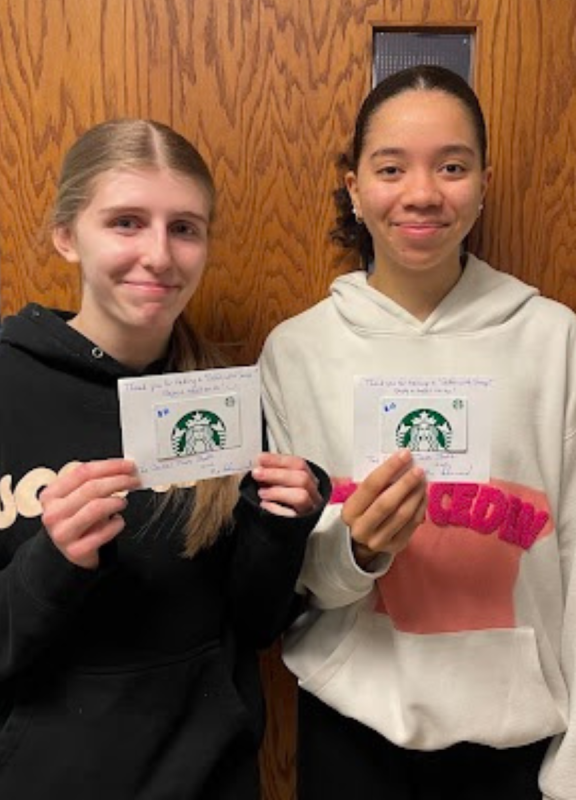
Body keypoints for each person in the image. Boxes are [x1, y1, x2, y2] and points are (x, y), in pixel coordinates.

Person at [258, 65, 576, 800]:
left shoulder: (552, 339)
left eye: (451, 166)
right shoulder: (296, 351)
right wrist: (358, 551)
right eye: (390, 167)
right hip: (350, 730)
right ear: (353, 185)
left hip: (512, 740)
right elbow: (290, 575)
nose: (421, 193)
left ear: (484, 181)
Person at [0, 119, 330, 799]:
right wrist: (50, 562)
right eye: (125, 222)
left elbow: (257, 625)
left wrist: (282, 525)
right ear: (68, 235)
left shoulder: (224, 401)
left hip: (211, 778)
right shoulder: (9, 381)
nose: (159, 255)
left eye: (185, 228)